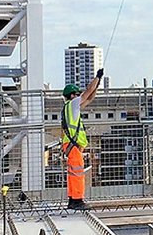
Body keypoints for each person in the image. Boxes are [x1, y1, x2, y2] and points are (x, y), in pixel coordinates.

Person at [61, 68, 104, 210]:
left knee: (73, 174)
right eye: (77, 94)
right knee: (78, 174)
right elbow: (87, 93)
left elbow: (90, 97)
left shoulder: (70, 107)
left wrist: (96, 86)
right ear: (72, 95)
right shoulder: (73, 104)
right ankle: (78, 200)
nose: (79, 96)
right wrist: (97, 77)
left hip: (70, 145)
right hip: (73, 146)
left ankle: (73, 200)